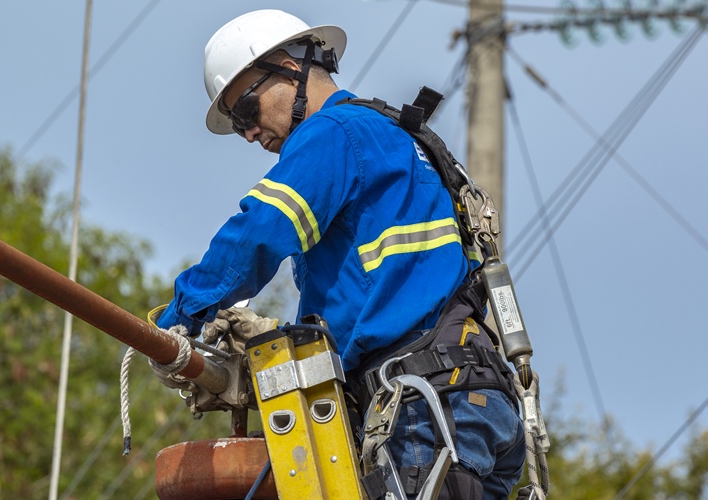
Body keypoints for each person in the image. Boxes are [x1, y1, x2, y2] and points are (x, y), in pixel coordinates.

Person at [156, 9, 525, 499]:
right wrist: (275, 345)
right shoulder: (395, 137)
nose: (247, 133)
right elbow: (381, 291)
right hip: (475, 402)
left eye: (245, 111)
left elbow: (260, 233)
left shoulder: (333, 134)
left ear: (290, 67)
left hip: (425, 406)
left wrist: (179, 318)